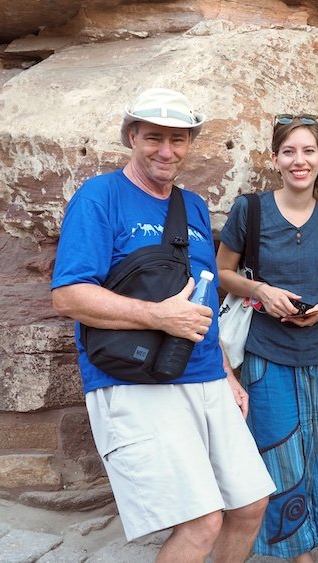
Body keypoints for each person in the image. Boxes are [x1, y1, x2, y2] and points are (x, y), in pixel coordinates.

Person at [51, 87, 274, 562]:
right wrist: (156, 316)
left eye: (178, 139)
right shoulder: (100, 197)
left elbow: (203, 296)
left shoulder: (191, 205)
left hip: (204, 376)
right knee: (200, 523)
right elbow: (67, 296)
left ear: (191, 142)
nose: (166, 151)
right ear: (132, 136)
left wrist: (228, 375)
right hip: (133, 381)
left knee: (250, 504)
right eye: (154, 137)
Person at [217, 113, 318, 562]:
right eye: (289, 151)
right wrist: (260, 289)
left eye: (309, 151)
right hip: (266, 353)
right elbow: (222, 273)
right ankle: (300, 557)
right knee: (281, 459)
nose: (299, 161)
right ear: (275, 159)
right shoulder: (251, 210)